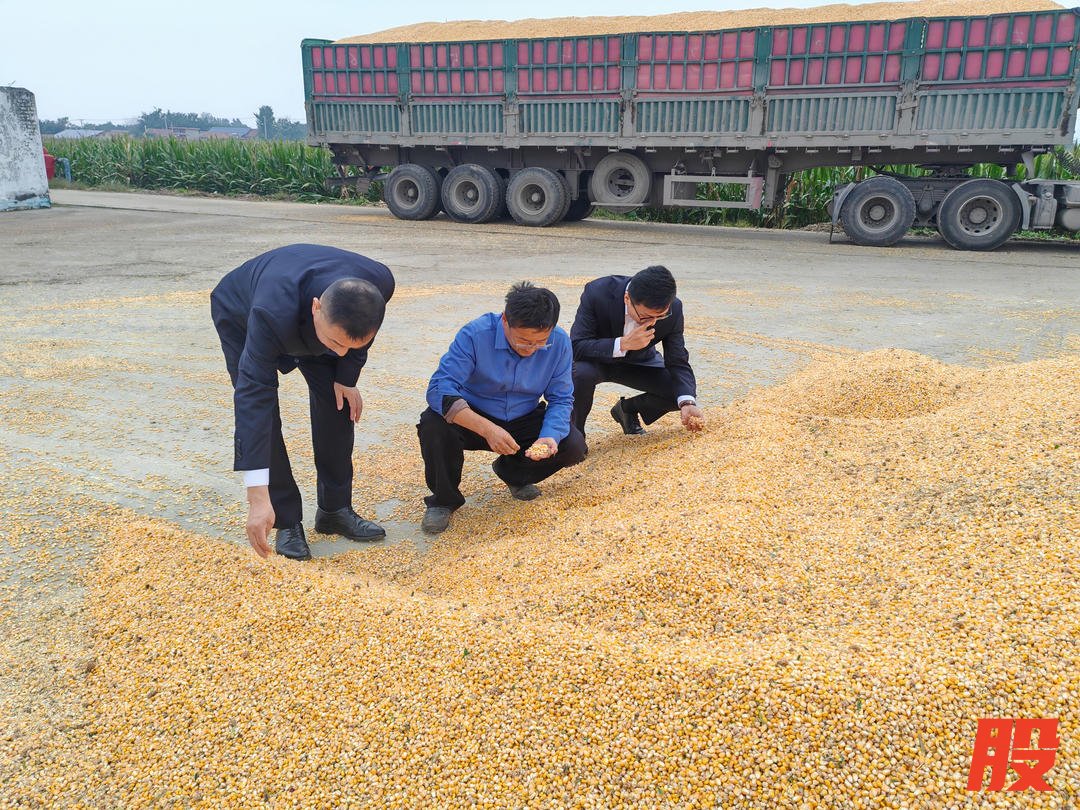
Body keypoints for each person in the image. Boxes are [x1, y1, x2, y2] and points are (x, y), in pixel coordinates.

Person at [210, 244, 395, 561]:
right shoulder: (270, 312)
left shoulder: (378, 283)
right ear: (316, 307)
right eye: (336, 343)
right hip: (242, 314)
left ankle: (334, 510)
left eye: (348, 347)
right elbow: (254, 402)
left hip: (317, 321)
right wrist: (257, 496)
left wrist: (346, 377)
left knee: (338, 404)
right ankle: (285, 521)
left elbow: (355, 339)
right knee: (266, 417)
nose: (340, 353)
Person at [417, 282, 587, 534]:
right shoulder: (475, 334)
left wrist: (550, 436)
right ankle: (443, 500)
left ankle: (514, 474)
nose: (530, 349)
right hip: (474, 414)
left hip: (523, 415)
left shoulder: (560, 342)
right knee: (433, 424)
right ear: (505, 320)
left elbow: (561, 398)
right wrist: (487, 429)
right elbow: (439, 388)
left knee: (573, 445)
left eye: (540, 342)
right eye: (523, 341)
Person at [570, 265, 704, 435]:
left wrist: (687, 403)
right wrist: (622, 344)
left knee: (681, 391)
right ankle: (574, 435)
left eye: (660, 316)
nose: (653, 322)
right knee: (579, 374)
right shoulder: (598, 292)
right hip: (596, 361)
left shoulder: (674, 309)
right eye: (646, 316)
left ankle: (627, 409)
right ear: (627, 298)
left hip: (640, 362)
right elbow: (576, 345)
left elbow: (678, 360)